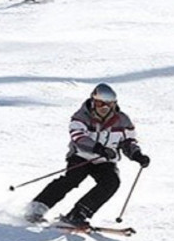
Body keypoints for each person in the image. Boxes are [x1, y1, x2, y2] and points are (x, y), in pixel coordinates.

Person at [23, 83, 151, 227]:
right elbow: (78, 136)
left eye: (108, 104)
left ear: (114, 104)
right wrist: (98, 148)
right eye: (98, 103)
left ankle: (79, 213)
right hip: (81, 155)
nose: (103, 107)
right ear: (92, 101)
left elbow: (128, 142)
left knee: (111, 182)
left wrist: (137, 155)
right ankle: (37, 208)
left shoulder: (123, 120)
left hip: (104, 160)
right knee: (73, 178)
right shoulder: (82, 116)